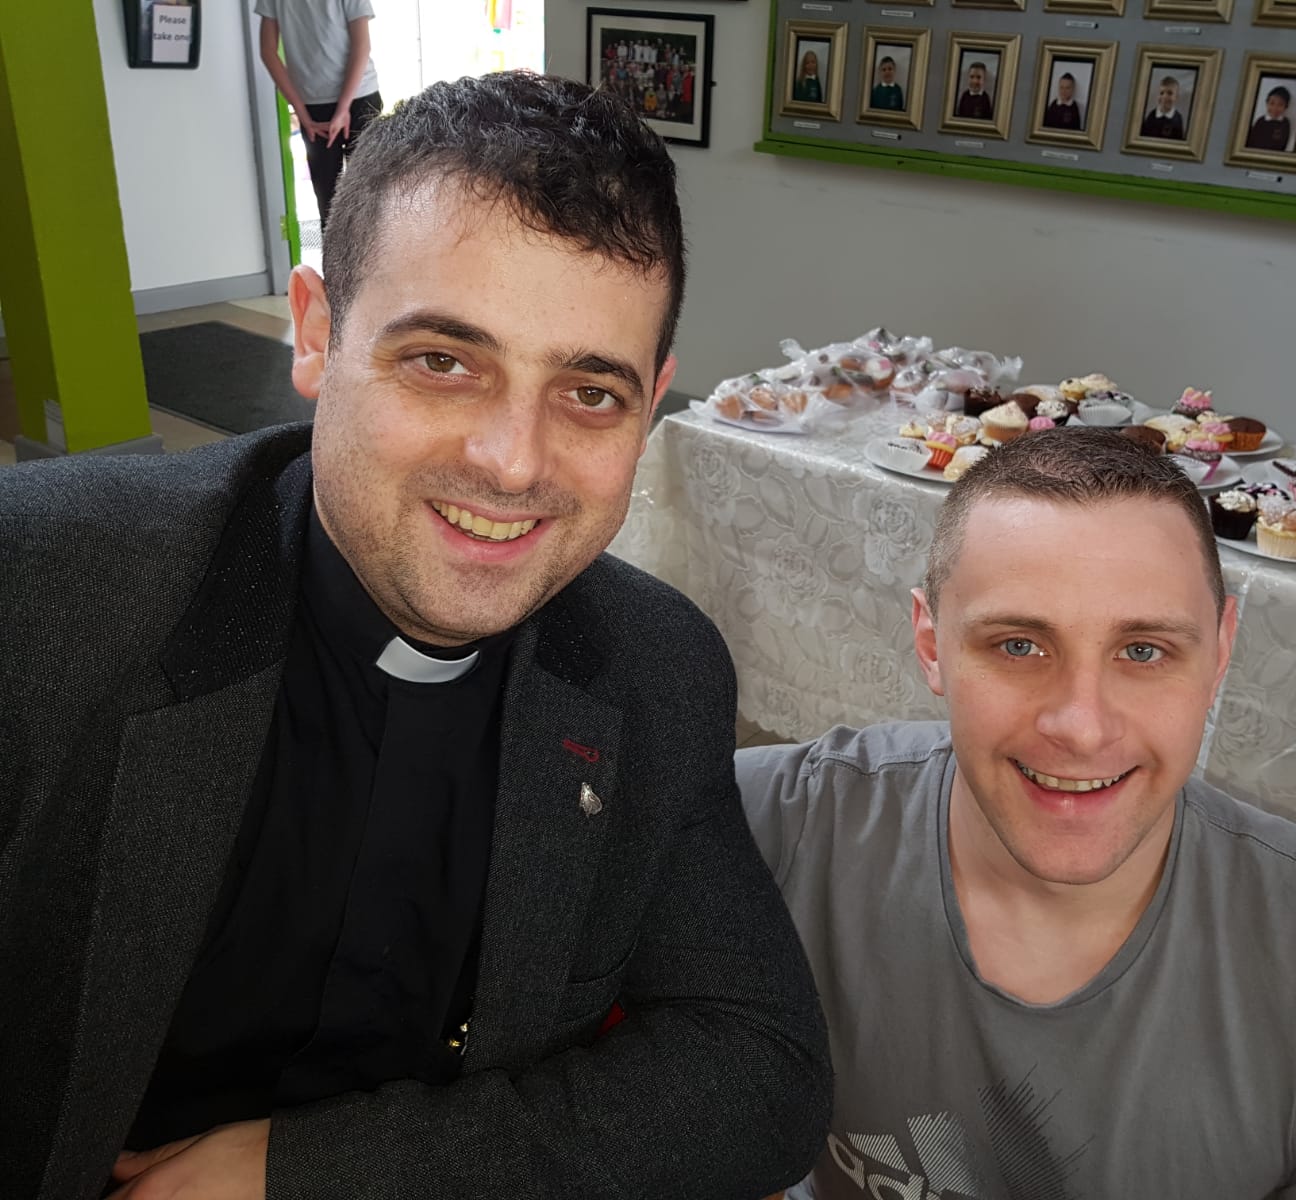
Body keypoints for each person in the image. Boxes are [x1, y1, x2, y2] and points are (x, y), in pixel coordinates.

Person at [0, 72, 831, 1199]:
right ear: (315, 334)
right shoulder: (40, 593)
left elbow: (760, 1075)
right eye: (443, 361)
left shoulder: (654, 665)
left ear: (654, 398)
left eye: (590, 392)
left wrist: (302, 1176)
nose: (513, 462)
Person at [740, 428, 1296, 1198]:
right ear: (931, 643)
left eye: (1143, 651)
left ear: (1220, 653)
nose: (1082, 726)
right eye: (1018, 645)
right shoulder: (781, 825)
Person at [256, 0, 383, 228]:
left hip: (357, 98)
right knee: (331, 203)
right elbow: (268, 52)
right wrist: (302, 113)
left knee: (367, 197)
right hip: (322, 107)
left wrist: (338, 109)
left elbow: (362, 46)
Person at [1245, 84, 1294, 152]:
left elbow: (1283, 144)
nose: (1275, 108)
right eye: (1272, 103)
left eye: (1280, 104)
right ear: (1267, 104)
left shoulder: (1285, 123)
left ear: (1286, 107)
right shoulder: (1260, 121)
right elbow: (1251, 141)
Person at [1141, 74, 1185, 140]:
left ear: (1176, 97)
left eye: (1170, 93)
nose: (1164, 97)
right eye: (1161, 93)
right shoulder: (1151, 116)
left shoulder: (1178, 118)